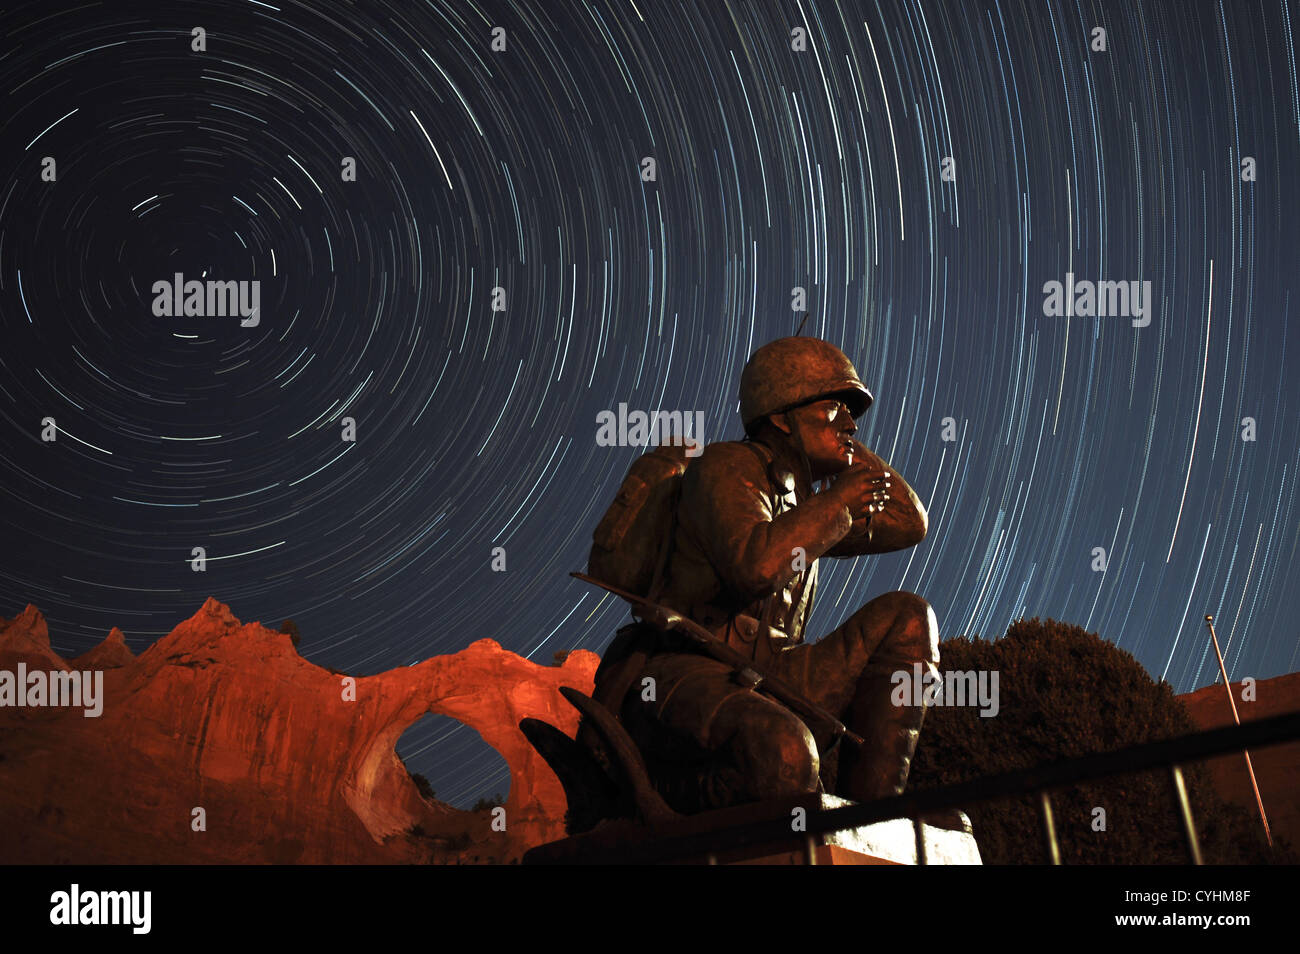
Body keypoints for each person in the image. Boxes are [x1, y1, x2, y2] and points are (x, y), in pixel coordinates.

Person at [590, 336, 940, 813]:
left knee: (908, 618)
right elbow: (756, 567)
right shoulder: (727, 465)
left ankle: (875, 814)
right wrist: (837, 502)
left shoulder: (803, 500)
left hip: (773, 673)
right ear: (781, 416)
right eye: (834, 408)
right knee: (783, 753)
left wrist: (845, 452)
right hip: (684, 671)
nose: (851, 423)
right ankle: (639, 800)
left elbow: (908, 523)